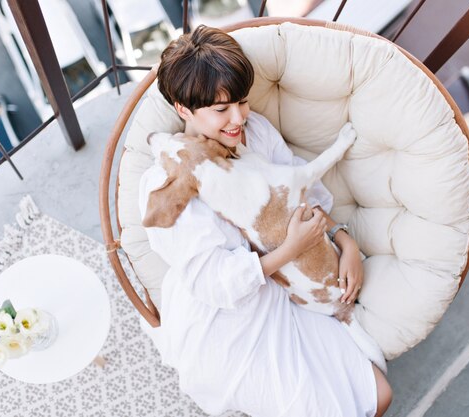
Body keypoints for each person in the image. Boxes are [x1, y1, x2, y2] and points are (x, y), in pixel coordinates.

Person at [139, 25, 392, 417]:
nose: (238, 118)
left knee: (378, 397)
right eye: (221, 110)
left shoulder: (253, 132)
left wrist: (346, 243)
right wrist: (291, 248)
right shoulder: (170, 182)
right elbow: (214, 285)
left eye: (241, 101)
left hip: (295, 283)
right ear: (183, 110)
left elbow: (306, 193)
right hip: (230, 319)